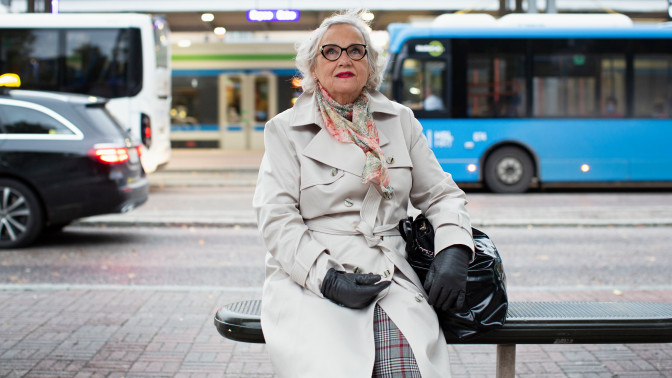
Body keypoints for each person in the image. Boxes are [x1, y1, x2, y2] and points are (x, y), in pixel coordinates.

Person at [253, 10, 474, 378]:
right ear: (312, 66)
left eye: (356, 51)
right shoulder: (284, 130)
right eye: (331, 51)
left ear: (370, 65)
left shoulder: (399, 119)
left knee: (405, 366)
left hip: (390, 273)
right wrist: (327, 278)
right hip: (311, 277)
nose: (344, 59)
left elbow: (441, 195)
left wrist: (453, 248)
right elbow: (276, 218)